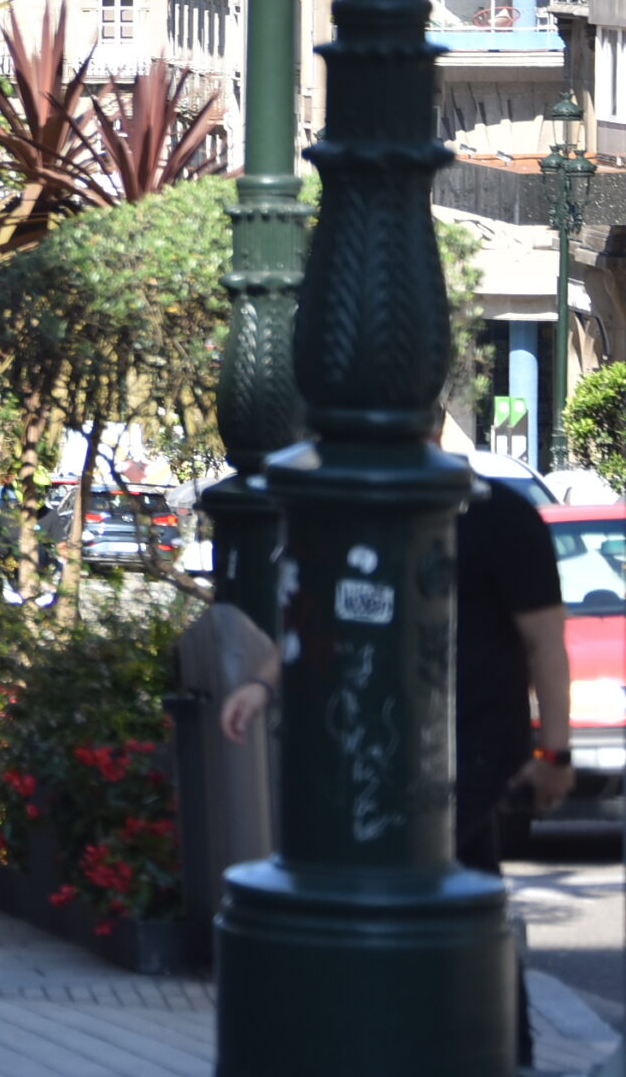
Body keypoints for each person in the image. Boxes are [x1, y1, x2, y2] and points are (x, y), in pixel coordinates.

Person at [221, 455, 574, 1069]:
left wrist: (556, 753)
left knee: (414, 877)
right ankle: (508, 1046)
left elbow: (546, 641)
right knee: (468, 883)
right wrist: (263, 684)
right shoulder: (355, 513)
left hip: (476, 744)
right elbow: (314, 609)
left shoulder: (504, 519)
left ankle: (438, 1042)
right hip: (379, 741)